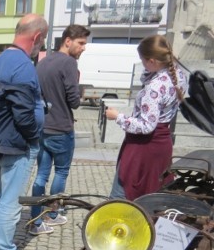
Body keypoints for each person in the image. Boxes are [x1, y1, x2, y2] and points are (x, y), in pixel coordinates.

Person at [0, 14, 49, 250]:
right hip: (16, 143)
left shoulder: (0, 60)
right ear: (37, 37)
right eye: (44, 40)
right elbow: (23, 112)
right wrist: (32, 138)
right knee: (10, 200)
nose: (42, 46)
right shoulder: (23, 65)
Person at [105, 35, 187, 201]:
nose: (142, 63)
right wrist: (150, 67)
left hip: (144, 147)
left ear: (152, 61)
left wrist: (118, 117)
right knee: (152, 195)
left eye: (143, 60)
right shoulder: (179, 75)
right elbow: (146, 77)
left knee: (121, 194)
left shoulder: (155, 87)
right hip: (162, 144)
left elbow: (147, 125)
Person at [29, 24, 90, 236]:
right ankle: (53, 214)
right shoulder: (69, 64)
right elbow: (74, 101)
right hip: (62, 127)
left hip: (43, 127)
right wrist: (78, 92)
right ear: (68, 41)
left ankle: (36, 216)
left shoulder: (42, 62)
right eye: (81, 43)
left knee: (41, 175)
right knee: (61, 171)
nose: (84, 48)